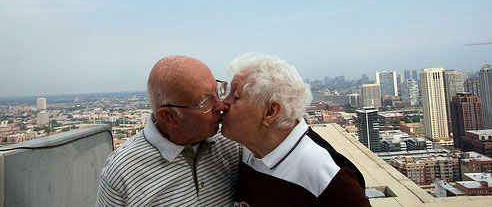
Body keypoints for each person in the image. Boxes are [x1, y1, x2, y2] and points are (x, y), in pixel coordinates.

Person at [221, 53, 371, 207]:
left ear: (270, 112)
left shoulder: (323, 172)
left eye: (236, 96)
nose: (223, 104)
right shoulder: (248, 149)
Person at [96, 56, 239, 206]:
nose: (221, 106)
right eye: (206, 102)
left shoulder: (231, 143)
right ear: (169, 116)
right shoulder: (123, 170)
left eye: (218, 92)